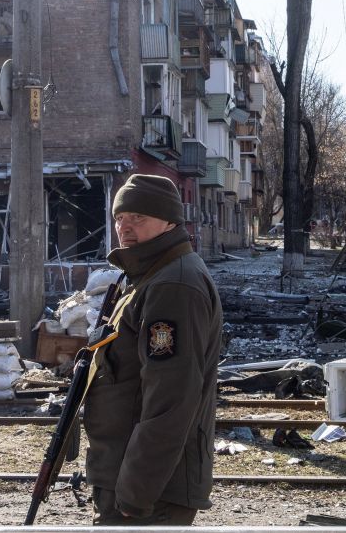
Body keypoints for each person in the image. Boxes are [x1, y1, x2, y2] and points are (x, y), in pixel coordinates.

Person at [84, 174, 223, 526]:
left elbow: (171, 398)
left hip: (151, 490)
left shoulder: (172, 285)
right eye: (120, 218)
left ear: (170, 221)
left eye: (139, 218)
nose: (125, 228)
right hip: (129, 474)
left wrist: (136, 491)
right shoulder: (147, 275)